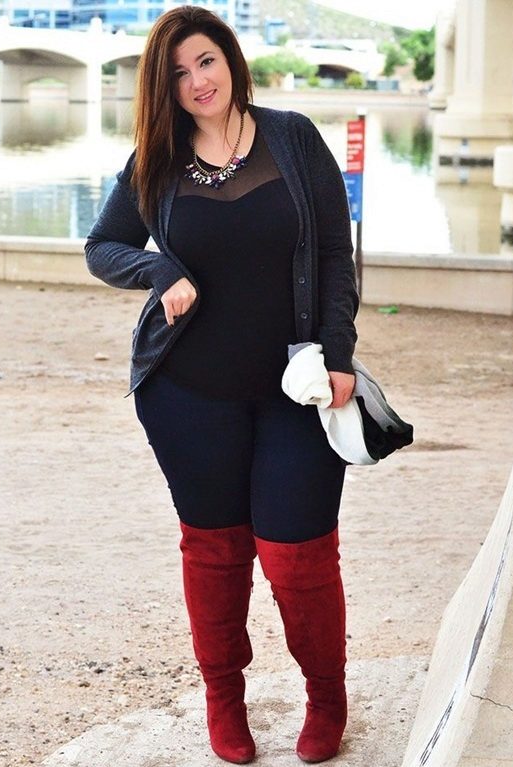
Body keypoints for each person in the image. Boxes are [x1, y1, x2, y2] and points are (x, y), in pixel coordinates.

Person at [85, 5, 359, 764]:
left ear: (231, 59)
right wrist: (156, 266)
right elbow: (102, 246)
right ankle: (223, 698)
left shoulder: (293, 138)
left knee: (299, 556)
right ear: (163, 88)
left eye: (205, 61)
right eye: (178, 73)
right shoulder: (156, 160)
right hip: (187, 393)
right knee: (214, 552)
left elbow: (334, 254)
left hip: (296, 391)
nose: (197, 81)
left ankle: (326, 695)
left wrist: (339, 352)